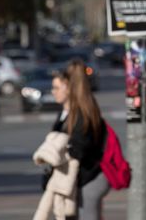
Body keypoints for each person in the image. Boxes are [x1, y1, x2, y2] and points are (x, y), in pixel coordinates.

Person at [43, 59, 109, 220]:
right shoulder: (73, 112)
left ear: (69, 86)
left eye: (57, 87)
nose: (53, 91)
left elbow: (79, 149)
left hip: (88, 178)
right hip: (84, 178)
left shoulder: (81, 113)